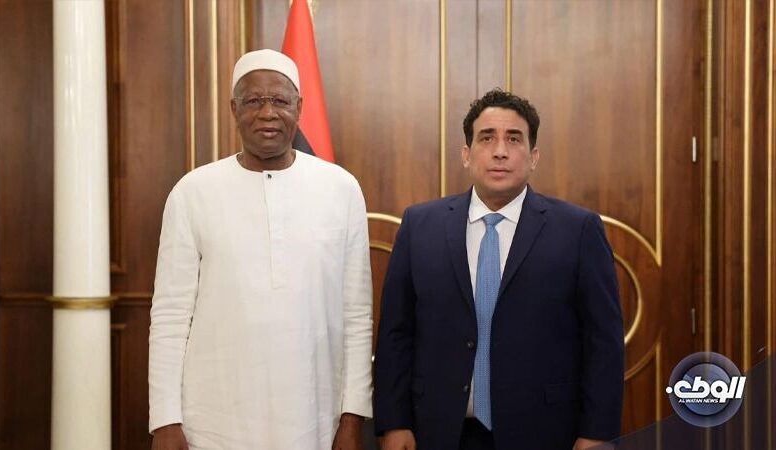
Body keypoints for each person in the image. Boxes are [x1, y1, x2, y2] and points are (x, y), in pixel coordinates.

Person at [373, 89, 624, 450]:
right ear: (466, 154)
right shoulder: (420, 226)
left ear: (533, 156)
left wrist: (597, 433)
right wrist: (394, 422)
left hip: (544, 433)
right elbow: (396, 333)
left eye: (514, 139)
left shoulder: (578, 230)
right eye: (487, 138)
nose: (500, 151)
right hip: (437, 431)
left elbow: (604, 342)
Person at [148, 49, 373, 450]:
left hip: (315, 420)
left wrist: (353, 418)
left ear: (299, 107)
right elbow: (169, 317)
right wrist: (165, 421)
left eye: (280, 100)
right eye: (253, 101)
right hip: (212, 423)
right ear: (234, 109)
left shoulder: (341, 189)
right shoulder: (192, 192)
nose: (268, 113)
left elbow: (356, 316)